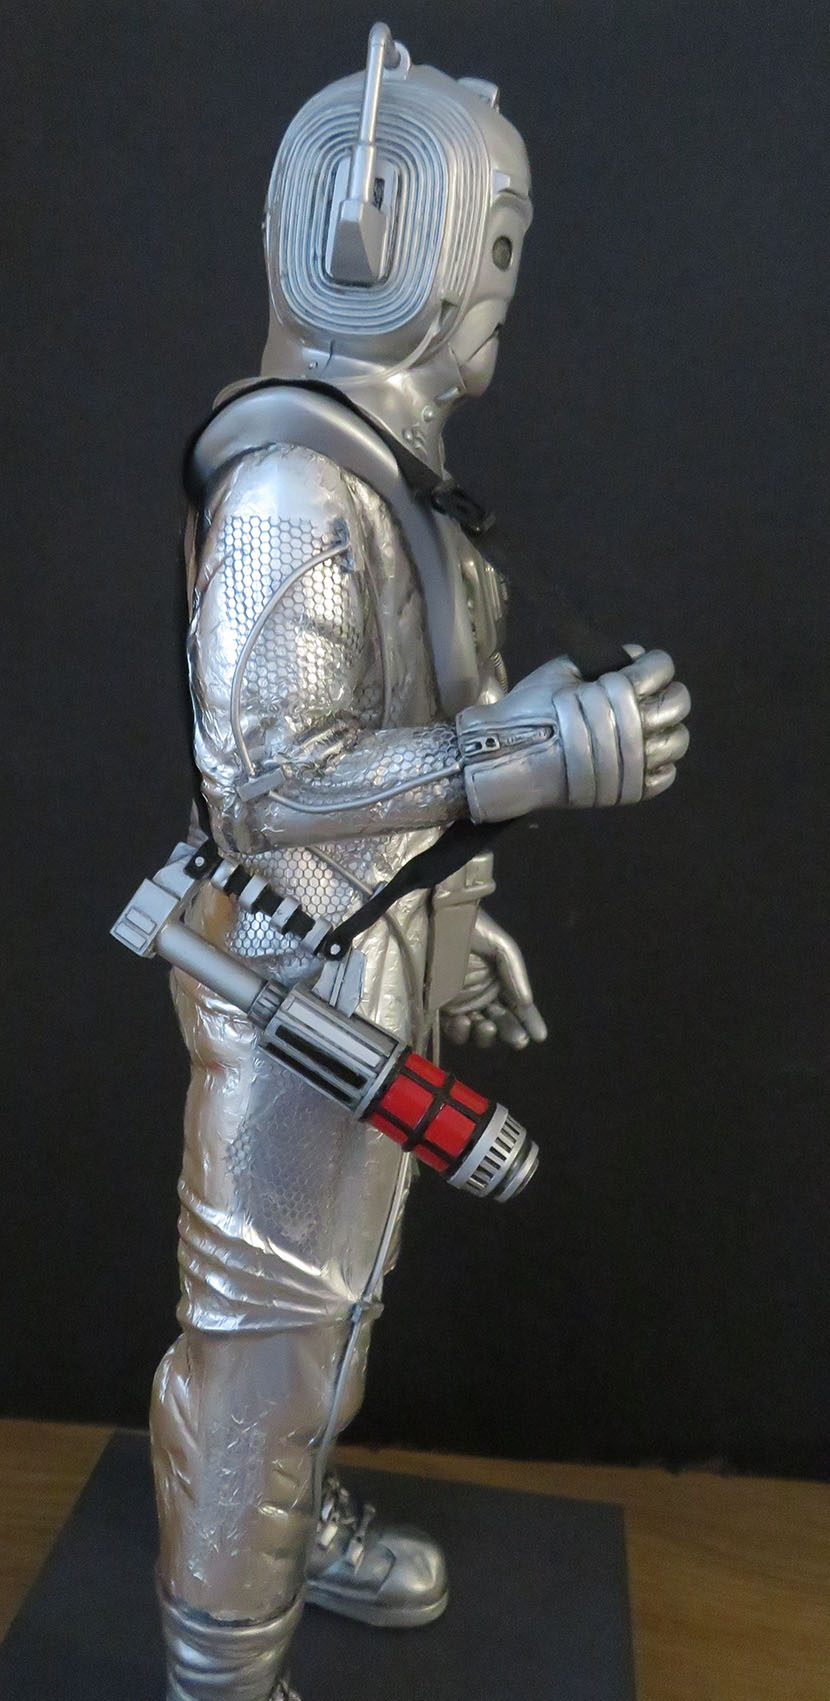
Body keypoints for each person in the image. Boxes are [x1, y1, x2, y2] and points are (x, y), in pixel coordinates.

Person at [148, 26, 691, 1701]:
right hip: (295, 973)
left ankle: (281, 1533)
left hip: (366, 949)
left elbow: (392, 728)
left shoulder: (372, 464)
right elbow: (266, 780)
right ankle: (219, 1667)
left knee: (335, 1311)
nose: (502, 289)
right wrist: (538, 756)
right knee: (268, 1346)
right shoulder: (293, 484)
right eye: (495, 249)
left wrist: (459, 910)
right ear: (397, 246)